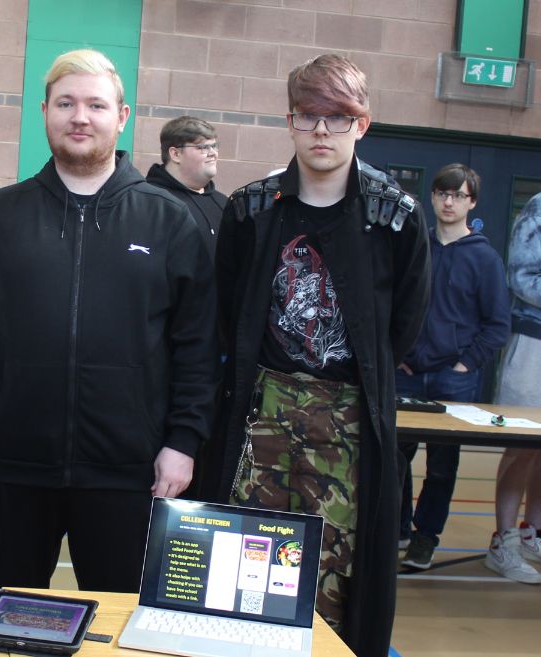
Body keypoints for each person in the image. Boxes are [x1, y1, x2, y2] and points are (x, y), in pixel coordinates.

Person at [0, 49, 219, 593]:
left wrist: (184, 442)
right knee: (7, 620)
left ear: (123, 115)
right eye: (66, 103)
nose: (80, 117)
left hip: (131, 473)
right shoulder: (1, 216)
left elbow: (197, 344)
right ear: (45, 111)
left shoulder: (168, 220)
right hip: (12, 470)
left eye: (95, 104)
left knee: (119, 628)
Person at [211, 54, 430, 657]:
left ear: (363, 124)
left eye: (339, 118)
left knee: (332, 579)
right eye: (309, 117)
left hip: (349, 419)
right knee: (247, 574)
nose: (323, 132)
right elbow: (227, 314)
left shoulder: (395, 217)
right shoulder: (252, 209)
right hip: (263, 411)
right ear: (290, 122)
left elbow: (405, 325)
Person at [397, 164, 509, 569]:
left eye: (458, 195)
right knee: (392, 457)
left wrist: (465, 366)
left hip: (453, 380)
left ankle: (426, 538)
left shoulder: (484, 259)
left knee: (443, 466)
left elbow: (498, 325)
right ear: (431, 197)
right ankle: (396, 528)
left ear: (471, 202)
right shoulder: (414, 248)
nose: (449, 202)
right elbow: (394, 306)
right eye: (443, 194)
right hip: (406, 373)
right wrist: (399, 354)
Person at [485, 192, 541, 584]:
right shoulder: (539, 207)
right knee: (523, 443)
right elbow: (521, 275)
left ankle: (532, 532)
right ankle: (502, 541)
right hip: (534, 343)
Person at [144, 115, 227, 251]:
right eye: (203, 147)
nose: (213, 153)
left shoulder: (224, 204)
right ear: (176, 154)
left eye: (214, 146)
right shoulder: (147, 200)